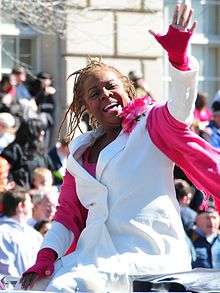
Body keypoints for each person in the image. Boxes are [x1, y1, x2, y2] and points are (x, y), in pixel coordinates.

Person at [19, 3, 220, 292]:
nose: (106, 95)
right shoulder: (78, 152)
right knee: (32, 287)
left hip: (148, 255)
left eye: (112, 87)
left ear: (127, 89)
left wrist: (179, 60)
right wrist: (46, 256)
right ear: (85, 107)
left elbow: (180, 107)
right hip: (95, 256)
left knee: (64, 289)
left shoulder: (151, 124)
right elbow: (68, 214)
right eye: (95, 94)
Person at [0, 188, 43, 277]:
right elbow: (6, 271)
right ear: (21, 206)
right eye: (29, 202)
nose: (32, 206)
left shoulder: (35, 235)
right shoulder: (2, 233)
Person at [1, 118, 54, 188]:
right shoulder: (14, 150)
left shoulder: (41, 154)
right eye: (40, 130)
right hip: (18, 194)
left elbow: (51, 172)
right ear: (32, 132)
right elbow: (3, 171)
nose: (43, 133)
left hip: (40, 194)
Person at [192, 203, 220, 269]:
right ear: (198, 221)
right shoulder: (192, 245)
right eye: (207, 218)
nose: (211, 221)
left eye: (214, 217)